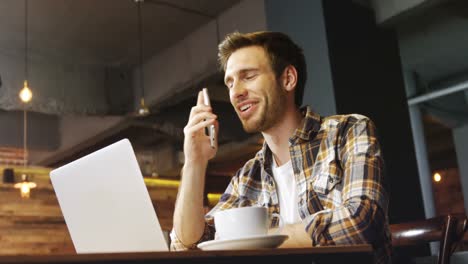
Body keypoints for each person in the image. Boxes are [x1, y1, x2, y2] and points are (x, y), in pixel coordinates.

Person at [170, 31, 391, 263]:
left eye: (248, 76)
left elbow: (362, 221)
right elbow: (186, 246)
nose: (235, 92)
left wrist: (260, 240)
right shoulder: (248, 176)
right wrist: (194, 162)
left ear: (288, 79)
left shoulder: (347, 132)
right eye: (230, 82)